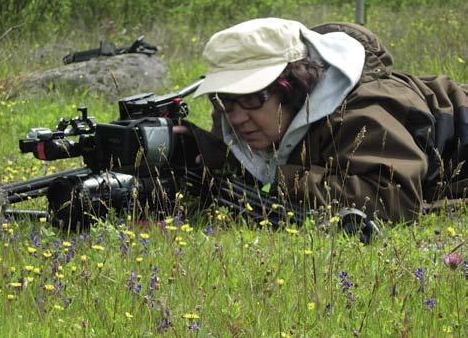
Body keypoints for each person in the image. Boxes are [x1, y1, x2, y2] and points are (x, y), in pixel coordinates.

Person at [176, 17, 468, 223]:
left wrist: (287, 180)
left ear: (292, 87)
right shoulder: (236, 111)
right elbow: (242, 166)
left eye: (252, 97)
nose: (236, 117)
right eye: (225, 99)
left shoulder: (359, 113)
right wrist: (204, 152)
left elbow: (395, 199)